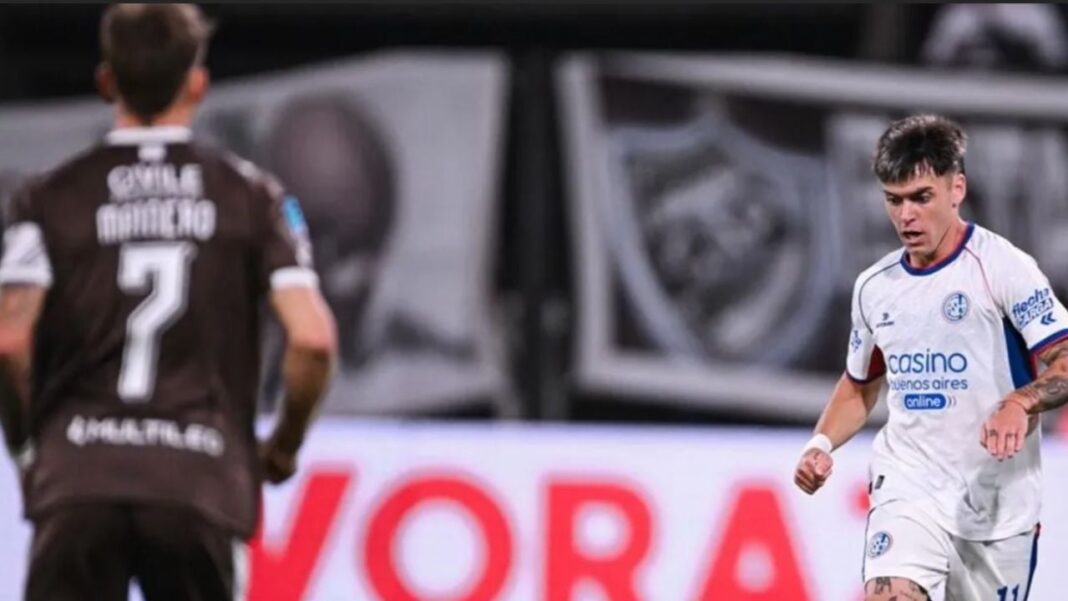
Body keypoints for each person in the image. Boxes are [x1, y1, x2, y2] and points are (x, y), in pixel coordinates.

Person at [0, 5, 337, 600]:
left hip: (79, 480)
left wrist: (29, 444)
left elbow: (10, 341)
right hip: (196, 481)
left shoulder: (49, 196)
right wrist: (283, 446)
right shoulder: (252, 198)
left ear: (106, 81)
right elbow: (311, 341)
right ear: (197, 84)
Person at [794, 114, 1068, 600]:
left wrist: (1019, 402)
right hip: (909, 488)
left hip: (999, 506)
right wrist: (820, 442)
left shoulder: (1003, 268)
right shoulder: (876, 288)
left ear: (956, 188)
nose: (906, 217)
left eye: (922, 197)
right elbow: (860, 382)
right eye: (893, 200)